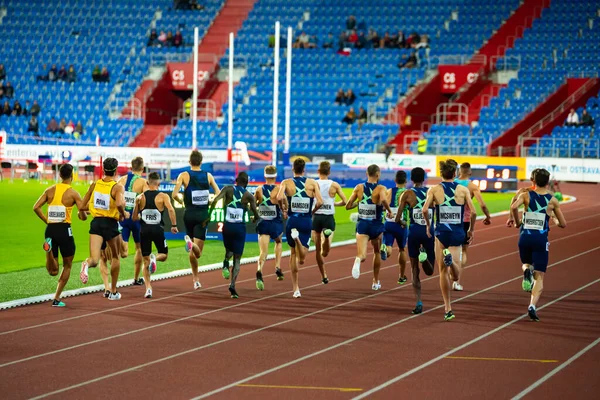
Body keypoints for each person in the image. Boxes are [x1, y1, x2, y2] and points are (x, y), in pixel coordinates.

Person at [422, 159, 477, 321]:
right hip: (457, 232)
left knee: (442, 272)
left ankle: (447, 307)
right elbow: (473, 213)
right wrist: (471, 230)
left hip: (441, 233)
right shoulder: (462, 189)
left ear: (441, 174)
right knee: (455, 275)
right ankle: (451, 261)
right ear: (455, 173)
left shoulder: (434, 189)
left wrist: (428, 225)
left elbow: (425, 209)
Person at [511, 168, 567, 321]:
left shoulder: (525, 195)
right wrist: (554, 218)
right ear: (548, 182)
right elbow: (563, 224)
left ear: (532, 181)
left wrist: (517, 222)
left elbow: (513, 207)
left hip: (524, 237)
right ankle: (532, 306)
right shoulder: (553, 199)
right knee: (540, 275)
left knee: (526, 263)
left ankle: (526, 270)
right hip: (540, 240)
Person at [32, 164, 85, 307]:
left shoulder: (49, 190)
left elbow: (35, 207)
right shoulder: (73, 193)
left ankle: (48, 251)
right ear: (72, 175)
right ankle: (56, 298)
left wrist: (47, 220)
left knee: (53, 271)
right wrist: (84, 212)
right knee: (67, 265)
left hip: (50, 230)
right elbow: (82, 215)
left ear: (60, 175)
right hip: (64, 230)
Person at [79, 158, 127, 300]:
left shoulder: (95, 184)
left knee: (95, 259)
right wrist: (123, 214)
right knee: (115, 257)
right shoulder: (117, 187)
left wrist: (94, 208)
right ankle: (113, 291)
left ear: (104, 169)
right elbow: (119, 203)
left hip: (96, 223)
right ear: (116, 170)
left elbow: (81, 206)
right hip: (110, 224)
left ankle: (86, 264)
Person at [172, 150, 220, 289]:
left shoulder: (184, 175)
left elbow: (174, 194)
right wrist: (210, 203)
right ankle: (191, 246)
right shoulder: (208, 175)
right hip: (202, 215)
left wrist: (181, 202)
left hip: (188, 214)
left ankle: (195, 279)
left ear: (189, 162)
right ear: (201, 162)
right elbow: (218, 193)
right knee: (197, 253)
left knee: (193, 251)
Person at [207, 172, 259, 298]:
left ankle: (225, 262)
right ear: (246, 183)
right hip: (240, 228)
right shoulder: (249, 196)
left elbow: (214, 201)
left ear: (236, 180)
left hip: (228, 227)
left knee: (229, 250)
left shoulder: (227, 189)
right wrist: (254, 218)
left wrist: (209, 216)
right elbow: (256, 215)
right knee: (237, 258)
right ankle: (233, 285)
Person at [277, 158, 323, 298]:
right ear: (304, 170)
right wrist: (312, 212)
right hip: (306, 221)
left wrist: (283, 210)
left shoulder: (286, 183)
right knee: (302, 258)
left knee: (293, 254)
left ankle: (296, 288)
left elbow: (279, 197)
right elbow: (320, 202)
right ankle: (298, 240)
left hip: (292, 221)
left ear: (293, 169)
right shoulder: (312, 183)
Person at [347, 164, 393, 290]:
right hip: (376, 226)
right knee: (377, 252)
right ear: (378, 174)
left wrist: (360, 203)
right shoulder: (381, 188)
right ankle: (375, 281)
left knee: (362, 254)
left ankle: (358, 260)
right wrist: (388, 210)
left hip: (362, 224)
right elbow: (383, 200)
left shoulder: (359, 187)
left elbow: (348, 205)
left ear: (367, 174)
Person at [132, 172, 178, 298]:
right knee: (164, 255)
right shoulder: (163, 196)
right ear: (159, 183)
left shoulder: (141, 197)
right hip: (158, 230)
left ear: (147, 183)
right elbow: (171, 209)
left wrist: (136, 204)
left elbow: (135, 218)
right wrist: (174, 226)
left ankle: (148, 288)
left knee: (145, 261)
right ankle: (155, 258)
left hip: (144, 231)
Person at [397, 167, 435, 314]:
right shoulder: (431, 192)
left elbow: (397, 217)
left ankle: (419, 302)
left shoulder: (407, 194)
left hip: (413, 232)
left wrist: (402, 223)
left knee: (414, 270)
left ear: (411, 179)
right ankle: (424, 258)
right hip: (428, 232)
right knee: (430, 271)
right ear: (424, 178)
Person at [454, 162, 492, 291]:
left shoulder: (451, 184)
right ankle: (456, 281)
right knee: (463, 251)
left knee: (450, 247)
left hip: (450, 220)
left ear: (459, 172)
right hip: (464, 221)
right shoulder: (472, 187)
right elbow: (482, 205)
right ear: (470, 173)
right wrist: (487, 216)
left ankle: (450, 270)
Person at [312, 161, 347, 284]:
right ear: (329, 172)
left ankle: (324, 276)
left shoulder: (313, 183)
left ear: (318, 171)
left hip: (316, 217)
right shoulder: (335, 185)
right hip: (328, 218)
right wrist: (334, 203)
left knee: (318, 251)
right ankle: (326, 238)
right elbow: (345, 201)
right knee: (325, 252)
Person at [116, 157, 148, 285]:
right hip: (136, 219)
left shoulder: (121, 180)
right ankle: (136, 278)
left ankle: (114, 282)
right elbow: (146, 200)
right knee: (139, 248)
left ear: (131, 167)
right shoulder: (143, 182)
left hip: (123, 217)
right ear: (142, 168)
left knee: (120, 252)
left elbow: (114, 197)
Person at [254, 165, 286, 290]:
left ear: (264, 175)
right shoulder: (278, 190)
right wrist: (284, 211)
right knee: (278, 242)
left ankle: (259, 270)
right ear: (275, 176)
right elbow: (284, 204)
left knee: (263, 252)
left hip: (263, 223)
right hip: (275, 223)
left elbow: (254, 204)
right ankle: (277, 267)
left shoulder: (258, 189)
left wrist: (257, 213)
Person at [382, 170, 409, 284]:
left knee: (389, 246)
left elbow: (383, 206)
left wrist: (389, 211)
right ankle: (401, 276)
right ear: (406, 181)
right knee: (402, 249)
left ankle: (385, 249)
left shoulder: (389, 191)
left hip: (389, 222)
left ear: (395, 180)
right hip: (401, 224)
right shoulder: (407, 193)